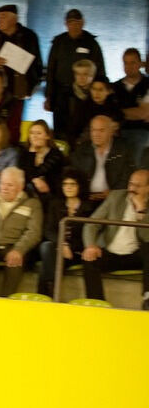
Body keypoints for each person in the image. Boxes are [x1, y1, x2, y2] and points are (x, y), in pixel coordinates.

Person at [81, 169, 149, 309]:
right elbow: (91, 224)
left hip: (136, 256)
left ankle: (148, 297)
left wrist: (141, 210)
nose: (132, 188)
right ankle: (98, 304)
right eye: (131, 184)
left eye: (137, 186)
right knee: (89, 259)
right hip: (111, 251)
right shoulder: (116, 196)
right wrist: (91, 245)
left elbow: (146, 238)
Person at [0, 167, 42, 297]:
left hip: (13, 246)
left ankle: (6, 302)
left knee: (15, 263)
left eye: (10, 185)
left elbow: (34, 232)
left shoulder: (32, 204)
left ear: (21, 187)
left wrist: (19, 250)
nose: (4, 188)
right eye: (2, 183)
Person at [36, 169, 96, 297]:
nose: (68, 187)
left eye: (72, 184)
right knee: (46, 247)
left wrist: (71, 247)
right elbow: (49, 230)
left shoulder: (88, 207)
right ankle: (51, 287)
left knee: (47, 263)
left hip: (78, 252)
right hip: (58, 250)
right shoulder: (55, 204)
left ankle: (45, 293)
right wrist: (62, 244)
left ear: (80, 186)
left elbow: (87, 233)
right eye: (65, 184)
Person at [45, 8, 106, 133]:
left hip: (84, 96)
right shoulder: (58, 42)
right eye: (71, 23)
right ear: (66, 24)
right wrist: (48, 96)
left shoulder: (91, 43)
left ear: (83, 23)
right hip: (61, 94)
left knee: (81, 129)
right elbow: (50, 70)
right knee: (60, 131)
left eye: (77, 23)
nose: (74, 26)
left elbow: (100, 72)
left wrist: (99, 95)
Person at [0, 4, 42, 101]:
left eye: (3, 17)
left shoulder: (29, 36)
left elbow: (37, 64)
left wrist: (33, 86)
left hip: (19, 91)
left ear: (14, 19)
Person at [70, 115, 136, 202]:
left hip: (114, 199)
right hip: (87, 199)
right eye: (93, 130)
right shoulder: (82, 150)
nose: (96, 134)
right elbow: (74, 176)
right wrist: (84, 193)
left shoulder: (123, 149)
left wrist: (113, 193)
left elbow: (127, 176)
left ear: (111, 131)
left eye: (101, 130)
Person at [113, 48, 149, 155]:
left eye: (132, 62)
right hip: (119, 132)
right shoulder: (115, 87)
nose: (129, 67)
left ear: (140, 63)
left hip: (142, 131)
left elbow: (144, 113)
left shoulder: (147, 84)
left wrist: (120, 112)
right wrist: (136, 111)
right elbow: (110, 112)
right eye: (126, 63)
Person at [19, 119, 64, 203]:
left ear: (47, 136)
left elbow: (41, 172)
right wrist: (36, 180)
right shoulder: (24, 153)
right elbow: (22, 175)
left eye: (38, 133)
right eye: (32, 133)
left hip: (51, 194)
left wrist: (32, 153)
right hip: (28, 194)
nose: (34, 136)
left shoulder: (56, 154)